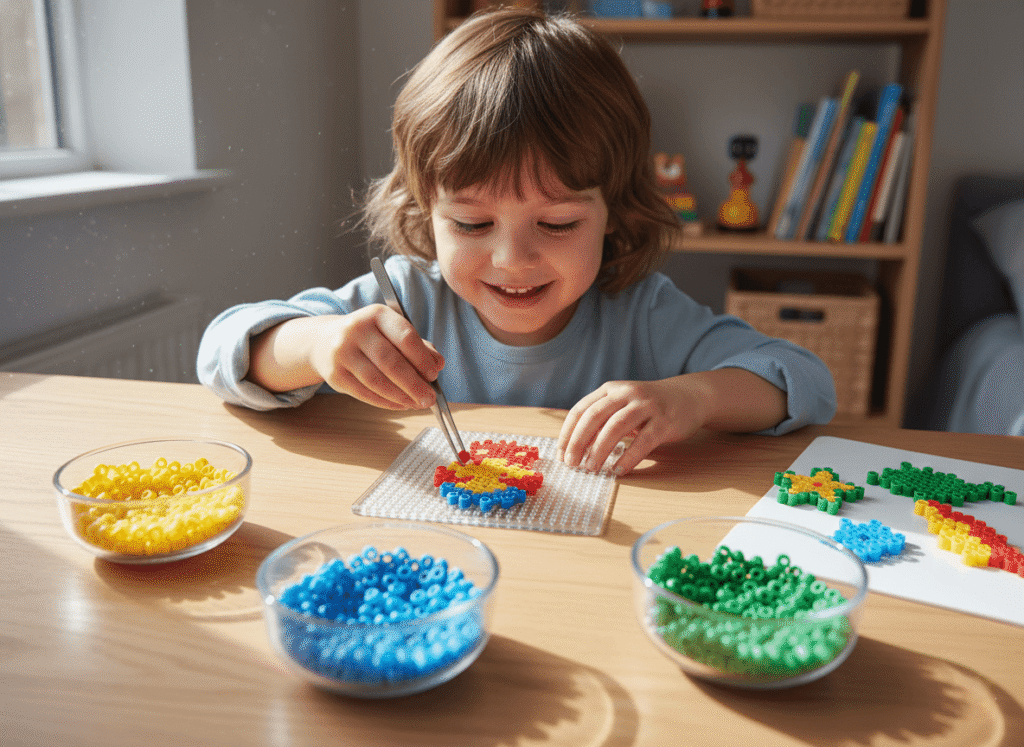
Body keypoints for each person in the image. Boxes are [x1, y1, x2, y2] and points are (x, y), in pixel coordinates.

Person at [197, 7, 836, 476]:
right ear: (427, 210)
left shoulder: (641, 311)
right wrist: (316, 344)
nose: (511, 260)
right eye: (471, 224)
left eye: (556, 224)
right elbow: (224, 349)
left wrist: (692, 398)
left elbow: (805, 381)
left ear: (612, 210)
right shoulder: (406, 297)